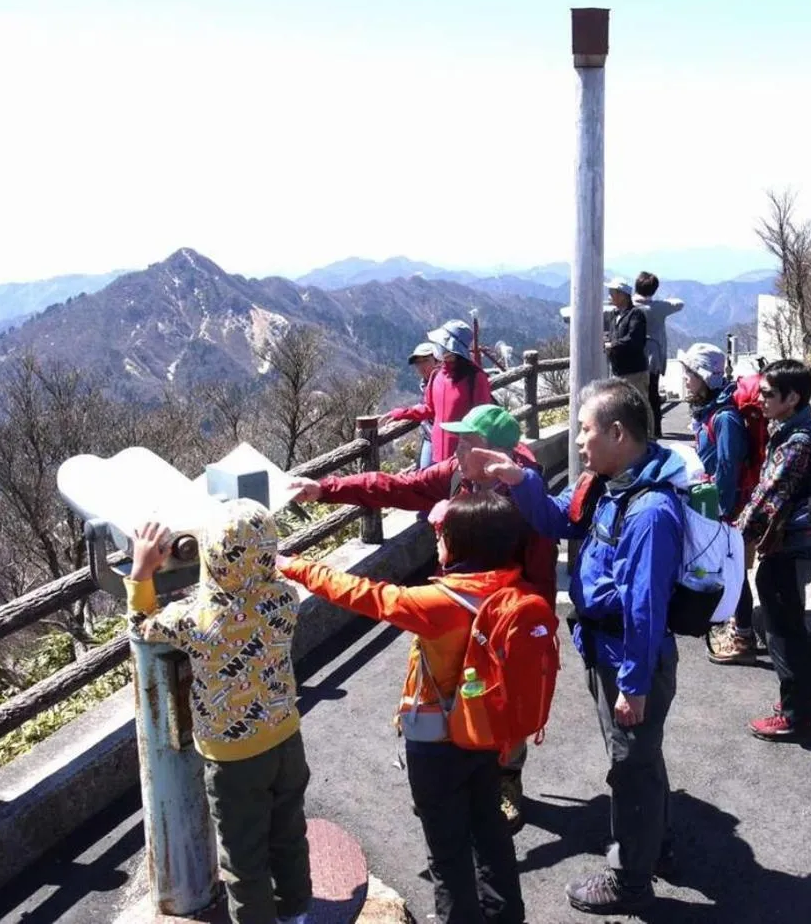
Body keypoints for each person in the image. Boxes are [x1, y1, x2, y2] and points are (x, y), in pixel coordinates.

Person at [286, 402, 556, 830]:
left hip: (502, 615)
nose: (456, 448)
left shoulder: (527, 496)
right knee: (446, 689)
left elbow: (541, 570)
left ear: (494, 453)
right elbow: (394, 486)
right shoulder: (454, 474)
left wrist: (534, 630)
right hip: (453, 607)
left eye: (467, 441)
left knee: (501, 696)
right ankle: (447, 776)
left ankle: (504, 777)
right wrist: (326, 488)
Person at [472, 379, 684, 916]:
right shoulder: (603, 483)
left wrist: (633, 686)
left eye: (587, 430)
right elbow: (552, 519)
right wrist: (517, 478)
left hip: (628, 658)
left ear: (617, 432)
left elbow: (646, 609)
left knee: (629, 766)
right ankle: (651, 842)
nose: (581, 442)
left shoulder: (650, 511)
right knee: (639, 759)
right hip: (607, 648)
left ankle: (630, 881)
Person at [278, 491, 529, 924]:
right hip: (489, 732)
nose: (437, 542)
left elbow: (363, 594)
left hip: (439, 743)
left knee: (447, 852)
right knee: (488, 831)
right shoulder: (510, 588)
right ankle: (505, 915)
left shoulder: (441, 605)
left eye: (443, 535)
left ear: (462, 544)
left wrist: (296, 566)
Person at [126, 500, 311, 924]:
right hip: (285, 738)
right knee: (288, 835)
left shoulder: (195, 619)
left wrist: (142, 570)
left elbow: (141, 625)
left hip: (233, 758)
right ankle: (297, 913)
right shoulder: (285, 598)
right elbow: (252, 591)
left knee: (243, 858)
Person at [739, 360, 811, 742]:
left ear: (791, 398)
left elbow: (766, 499)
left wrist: (736, 535)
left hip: (788, 547)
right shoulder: (795, 429)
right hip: (794, 545)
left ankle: (795, 715)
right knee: (792, 625)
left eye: (767, 394)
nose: (759, 399)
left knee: (781, 633)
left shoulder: (799, 442)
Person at [676, 342, 759, 665]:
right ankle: (732, 626)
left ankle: (744, 636)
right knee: (727, 568)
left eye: (690, 374)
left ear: (705, 378)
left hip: (727, 510)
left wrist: (721, 515)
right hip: (718, 506)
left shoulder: (724, 418)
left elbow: (728, 467)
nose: (684, 379)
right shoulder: (713, 412)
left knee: (734, 569)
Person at [388, 320, 493, 466]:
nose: (438, 346)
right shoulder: (437, 375)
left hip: (463, 456)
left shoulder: (475, 378)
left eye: (441, 343)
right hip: (437, 453)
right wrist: (400, 413)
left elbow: (483, 420)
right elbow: (429, 409)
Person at [632, 271, 684, 437]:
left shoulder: (631, 306)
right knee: (653, 393)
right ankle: (656, 430)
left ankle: (639, 430)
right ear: (653, 290)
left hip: (635, 356)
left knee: (635, 393)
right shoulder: (659, 308)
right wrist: (663, 300)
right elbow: (679, 304)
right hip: (654, 357)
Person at [603, 278, 653, 438]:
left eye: (613, 292)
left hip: (634, 371)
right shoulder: (615, 316)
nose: (610, 295)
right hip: (619, 370)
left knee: (641, 405)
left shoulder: (636, 314)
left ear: (623, 295)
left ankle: (649, 438)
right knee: (624, 408)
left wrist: (613, 345)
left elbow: (635, 340)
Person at [405, 341, 443, 469]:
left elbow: (432, 410)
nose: (421, 366)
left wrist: (402, 413)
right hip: (430, 436)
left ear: (437, 360)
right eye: (418, 363)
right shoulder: (426, 383)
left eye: (425, 360)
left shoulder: (443, 382)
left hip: (442, 438)